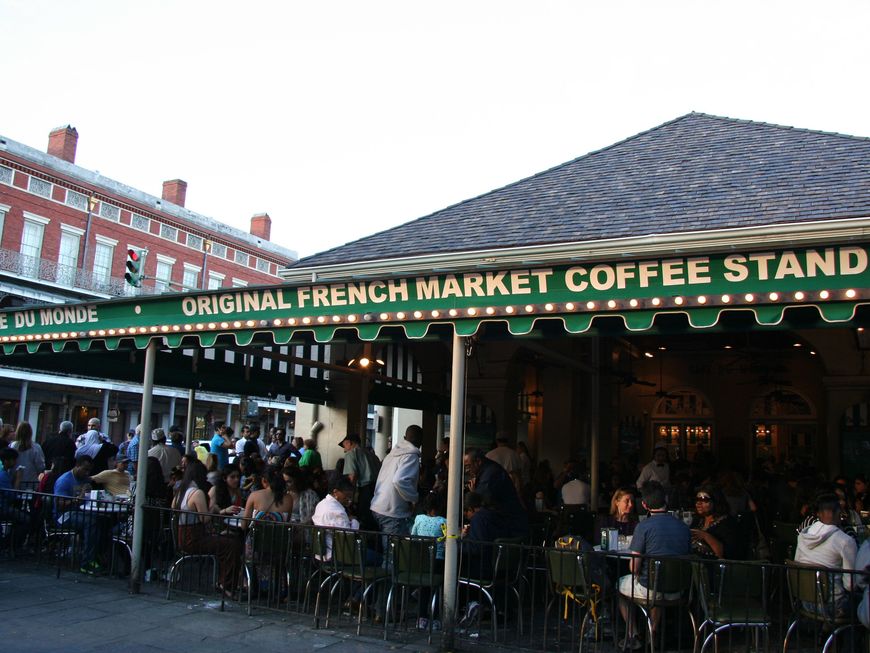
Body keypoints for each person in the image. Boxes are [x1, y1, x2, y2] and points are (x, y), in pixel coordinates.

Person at [617, 481, 691, 651]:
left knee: (620, 586)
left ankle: (633, 634)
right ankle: (653, 631)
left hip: (652, 587)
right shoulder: (683, 527)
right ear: (666, 499)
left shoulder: (643, 527)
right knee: (657, 584)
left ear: (644, 505)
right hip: (679, 589)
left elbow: (634, 567)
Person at [174, 459, 242, 597]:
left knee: (227, 542)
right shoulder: (197, 493)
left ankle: (225, 581)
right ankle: (226, 584)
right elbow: (205, 518)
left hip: (182, 535)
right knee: (231, 545)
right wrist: (212, 508)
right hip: (194, 537)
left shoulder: (181, 491)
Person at [795, 493, 858, 617]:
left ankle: (828, 630)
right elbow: (851, 585)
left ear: (818, 514)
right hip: (833, 606)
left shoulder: (803, 535)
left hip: (804, 601)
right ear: (838, 512)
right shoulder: (845, 541)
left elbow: (797, 564)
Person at [54, 455, 110, 574]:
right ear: (77, 466)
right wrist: (78, 498)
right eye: (85, 469)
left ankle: (98, 555)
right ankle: (87, 562)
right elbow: (60, 504)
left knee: (103, 520)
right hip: (64, 515)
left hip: (82, 512)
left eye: (89, 470)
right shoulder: (64, 480)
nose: (87, 472)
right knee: (91, 523)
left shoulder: (85, 479)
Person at [370, 425, 423, 545]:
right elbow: (399, 480)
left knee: (390, 552)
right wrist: (413, 498)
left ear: (405, 437)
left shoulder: (391, 454)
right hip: (392, 511)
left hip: (378, 506)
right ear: (420, 441)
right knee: (393, 556)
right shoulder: (411, 456)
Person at [463, 447, 528, 538]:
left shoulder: (490, 475)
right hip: (505, 522)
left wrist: (474, 494)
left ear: (478, 462)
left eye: (468, 466)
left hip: (507, 526)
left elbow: (479, 505)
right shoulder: (488, 470)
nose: (466, 470)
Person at [690, 485, 744, 559]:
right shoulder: (698, 520)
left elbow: (725, 554)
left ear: (715, 501)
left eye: (704, 500)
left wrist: (706, 536)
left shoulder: (727, 523)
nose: (698, 503)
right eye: (697, 499)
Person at [312, 476, 359, 561]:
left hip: (322, 554)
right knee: (379, 558)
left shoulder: (321, 504)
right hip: (339, 556)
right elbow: (349, 538)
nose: (349, 500)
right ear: (335, 492)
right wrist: (354, 521)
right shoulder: (337, 511)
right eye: (346, 496)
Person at [339, 432, 377, 531]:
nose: (344, 450)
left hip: (364, 491)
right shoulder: (372, 455)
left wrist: (350, 497)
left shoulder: (351, 454)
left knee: (363, 521)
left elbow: (352, 476)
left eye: (344, 446)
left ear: (349, 443)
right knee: (373, 521)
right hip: (377, 491)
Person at [412, 493, 447, 563]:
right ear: (440, 506)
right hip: (437, 560)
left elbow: (413, 537)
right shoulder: (443, 521)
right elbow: (448, 538)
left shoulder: (419, 518)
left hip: (420, 559)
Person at [9, 421, 45, 489]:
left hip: (14, 482)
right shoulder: (36, 447)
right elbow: (40, 466)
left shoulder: (12, 446)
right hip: (30, 483)